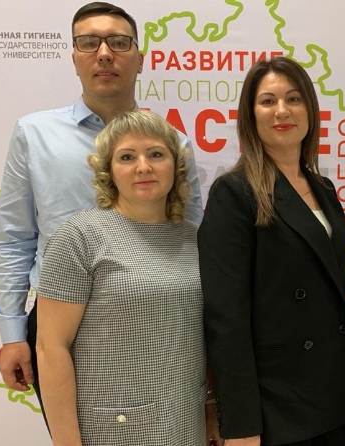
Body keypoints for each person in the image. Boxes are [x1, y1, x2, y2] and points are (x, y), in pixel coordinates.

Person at [0, 1, 203, 414]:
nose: (104, 53)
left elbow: (190, 233)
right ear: (74, 58)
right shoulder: (34, 134)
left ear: (140, 59)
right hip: (61, 326)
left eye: (119, 42)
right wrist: (13, 332)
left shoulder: (174, 144)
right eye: (89, 43)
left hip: (157, 317)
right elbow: (15, 237)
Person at [198, 56, 345, 446]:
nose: (282, 111)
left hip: (332, 392)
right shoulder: (234, 193)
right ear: (250, 115)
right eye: (268, 101)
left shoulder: (324, 188)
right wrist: (241, 424)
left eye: (293, 98)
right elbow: (226, 319)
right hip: (275, 405)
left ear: (310, 110)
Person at [36, 110, 216, 446]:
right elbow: (51, 349)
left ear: (176, 166)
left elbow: (205, 337)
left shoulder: (196, 240)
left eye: (156, 154)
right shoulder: (78, 238)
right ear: (109, 171)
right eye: (127, 157)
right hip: (111, 429)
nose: (143, 167)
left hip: (184, 425)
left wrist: (210, 409)